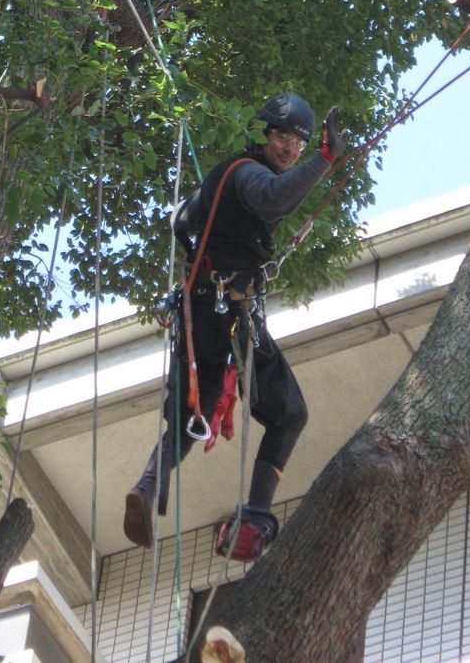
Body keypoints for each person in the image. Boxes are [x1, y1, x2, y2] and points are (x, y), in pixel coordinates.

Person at [123, 92, 346, 559]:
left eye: (300, 143)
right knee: (289, 414)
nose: (290, 148)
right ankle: (256, 516)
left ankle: (147, 486)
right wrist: (325, 159)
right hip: (228, 314)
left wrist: (212, 213)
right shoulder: (247, 174)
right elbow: (273, 200)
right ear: (262, 134)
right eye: (283, 136)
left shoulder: (223, 179)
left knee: (196, 415)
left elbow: (182, 220)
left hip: (201, 313)